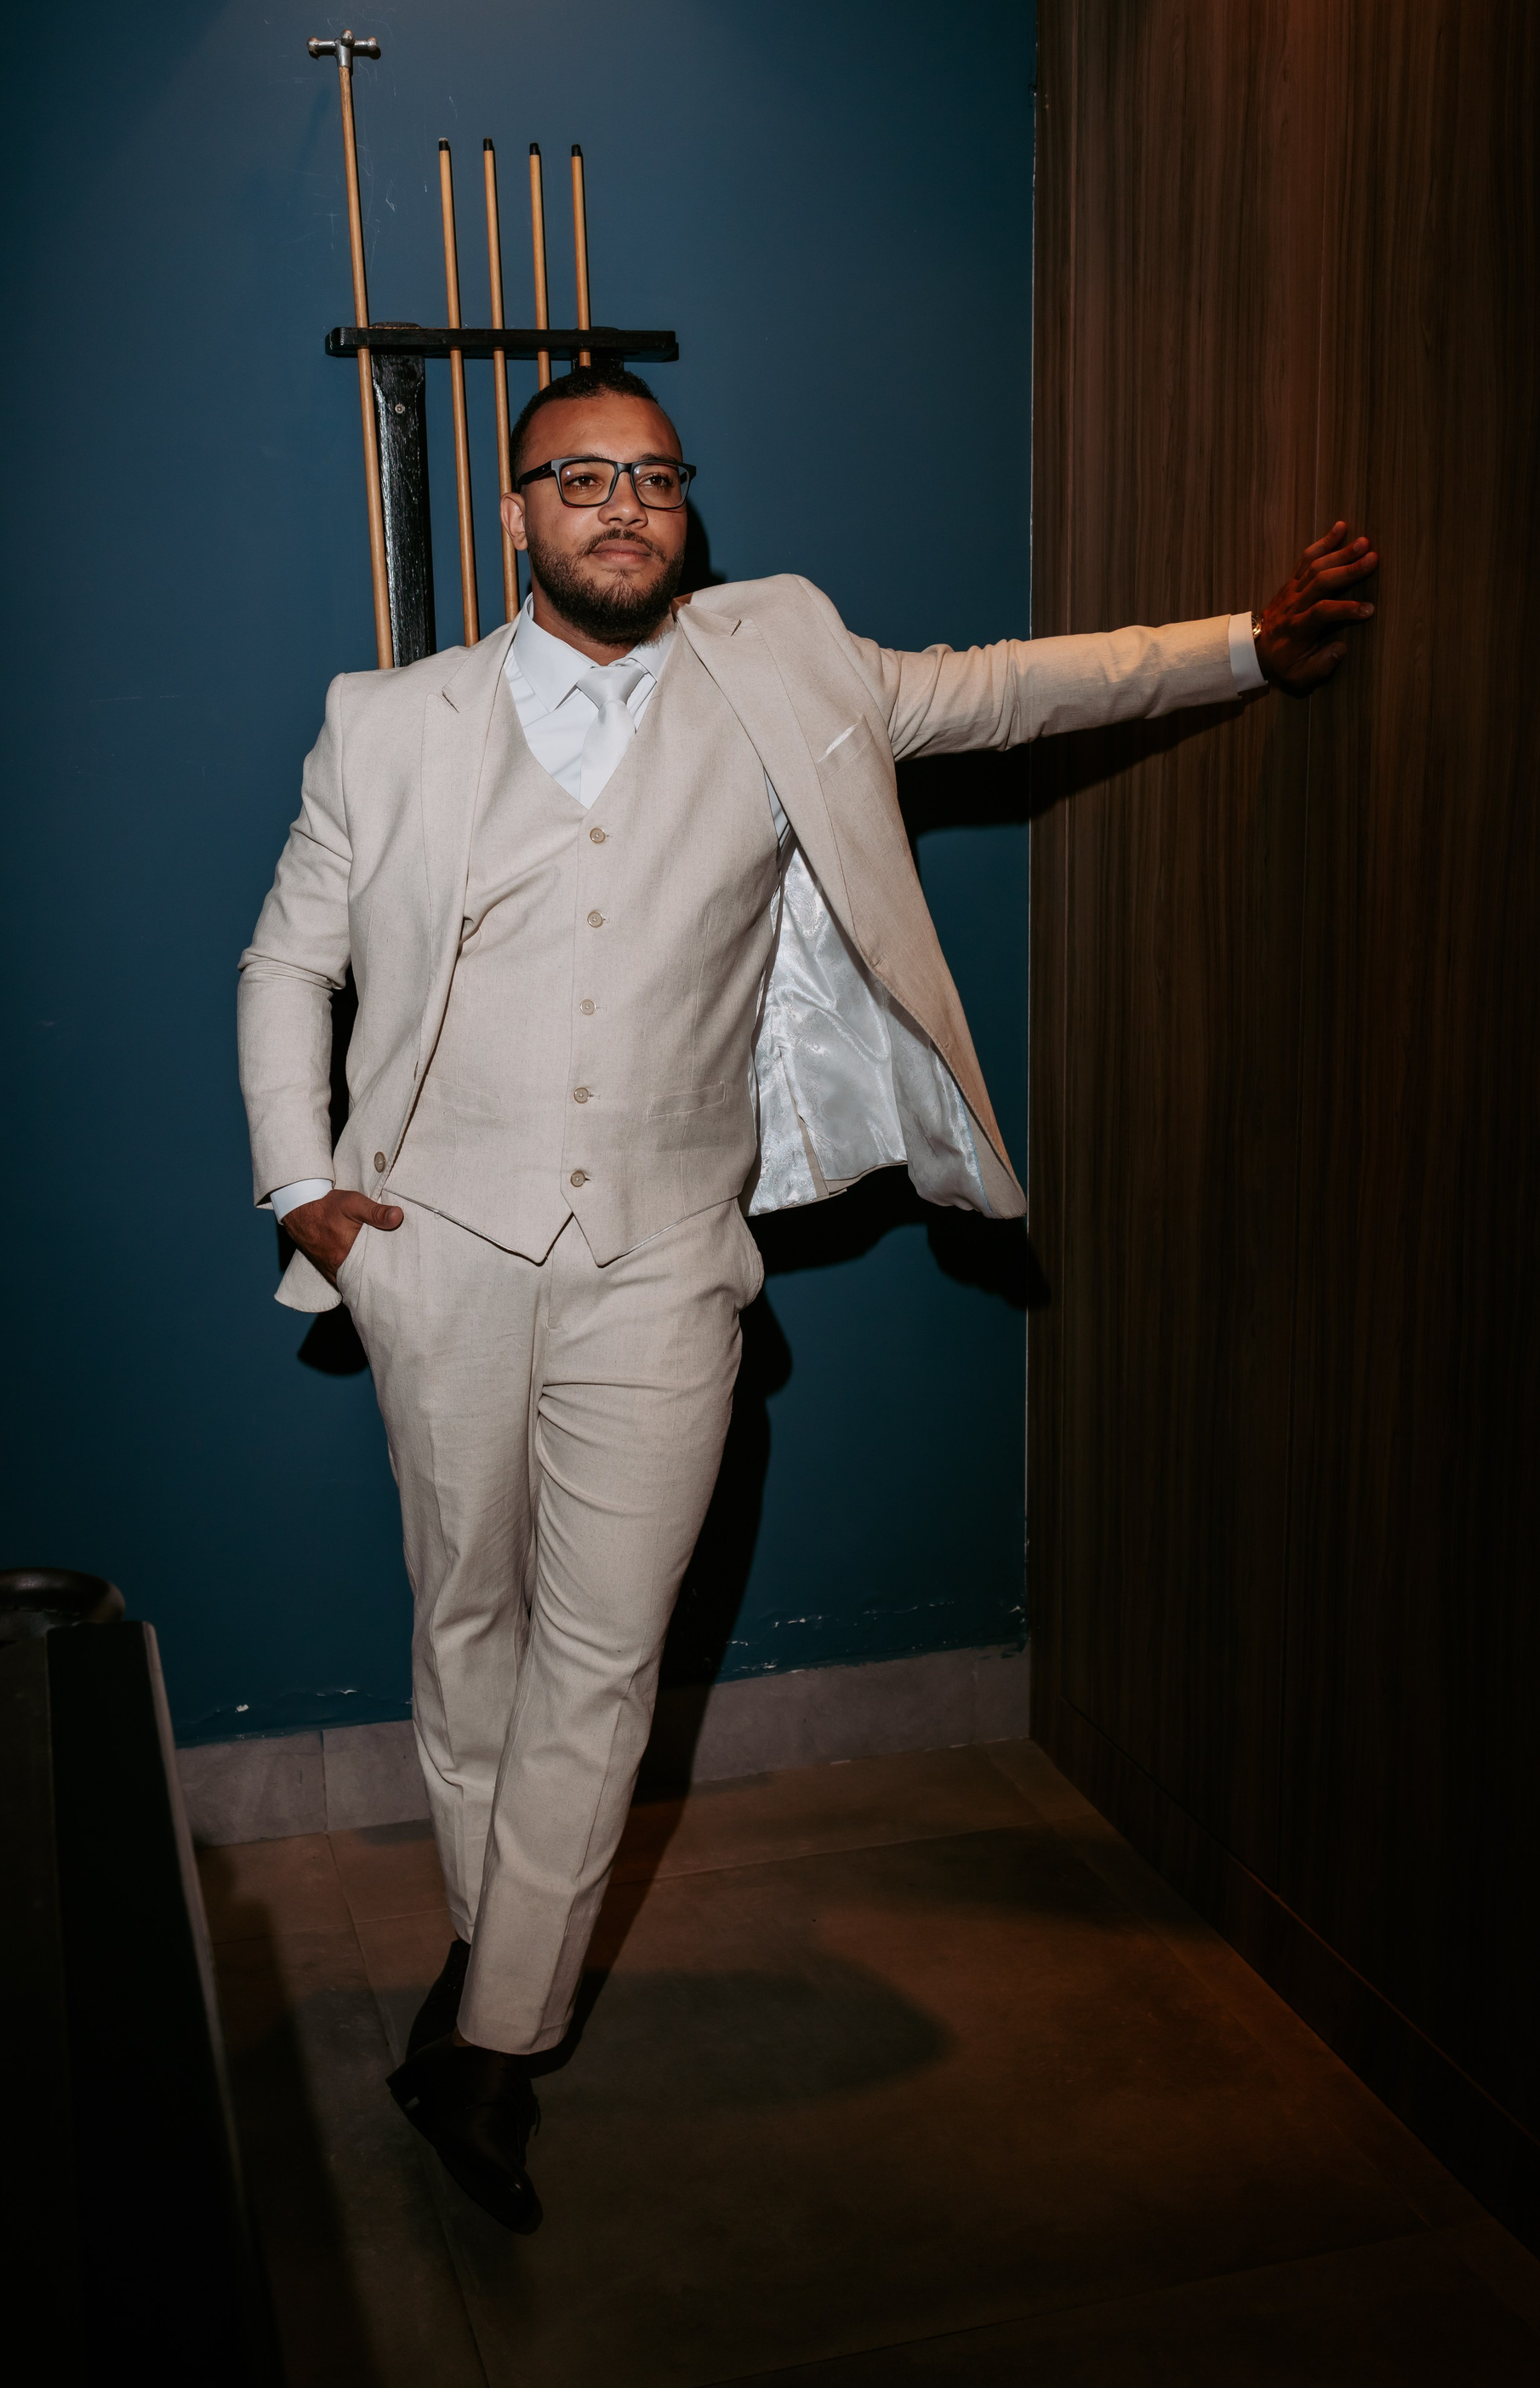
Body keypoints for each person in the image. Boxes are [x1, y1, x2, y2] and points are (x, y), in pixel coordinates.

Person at [237, 366, 1377, 2230]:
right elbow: (286, 964)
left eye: (654, 475)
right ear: (515, 517)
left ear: (686, 505)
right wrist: (310, 1190)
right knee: (471, 1628)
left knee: (606, 1657)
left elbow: (1009, 688)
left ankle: (493, 2040)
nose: (623, 504)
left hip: (668, 1258)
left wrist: (1244, 647)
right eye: (578, 478)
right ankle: (487, 1938)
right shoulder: (386, 723)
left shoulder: (788, 660)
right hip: (436, 1248)